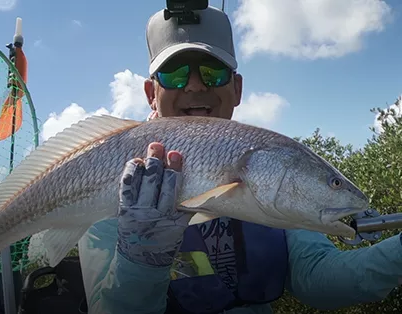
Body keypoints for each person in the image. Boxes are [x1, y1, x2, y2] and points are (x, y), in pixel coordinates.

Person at [77, 5, 402, 314]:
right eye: (174, 75)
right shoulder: (112, 176)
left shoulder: (274, 169)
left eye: (213, 72)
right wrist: (141, 258)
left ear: (237, 88)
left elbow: (319, 277)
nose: (194, 85)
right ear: (151, 93)